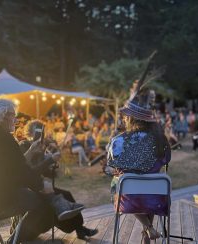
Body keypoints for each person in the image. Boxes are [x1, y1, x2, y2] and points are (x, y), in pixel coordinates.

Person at [0, 99, 84, 243]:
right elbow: (21, 172)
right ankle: (15, 241)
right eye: (13, 115)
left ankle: (62, 208)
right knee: (45, 206)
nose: (16, 119)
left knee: (40, 196)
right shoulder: (2, 138)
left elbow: (7, 169)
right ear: (3, 116)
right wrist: (42, 185)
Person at [106, 83, 171, 244]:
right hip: (156, 198)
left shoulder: (119, 141)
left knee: (119, 183)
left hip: (128, 198)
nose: (124, 118)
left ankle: (148, 228)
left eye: (126, 115)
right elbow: (165, 162)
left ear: (131, 118)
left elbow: (112, 166)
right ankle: (148, 229)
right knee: (151, 185)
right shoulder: (160, 139)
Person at [19, 119, 98, 240]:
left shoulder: (41, 148)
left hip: (41, 186)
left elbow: (46, 173)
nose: (40, 135)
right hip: (30, 187)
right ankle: (76, 227)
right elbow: (29, 171)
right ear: (29, 133)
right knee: (59, 201)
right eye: (37, 132)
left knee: (67, 194)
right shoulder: (24, 146)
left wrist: (53, 165)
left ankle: (79, 228)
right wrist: (48, 160)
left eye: (41, 132)